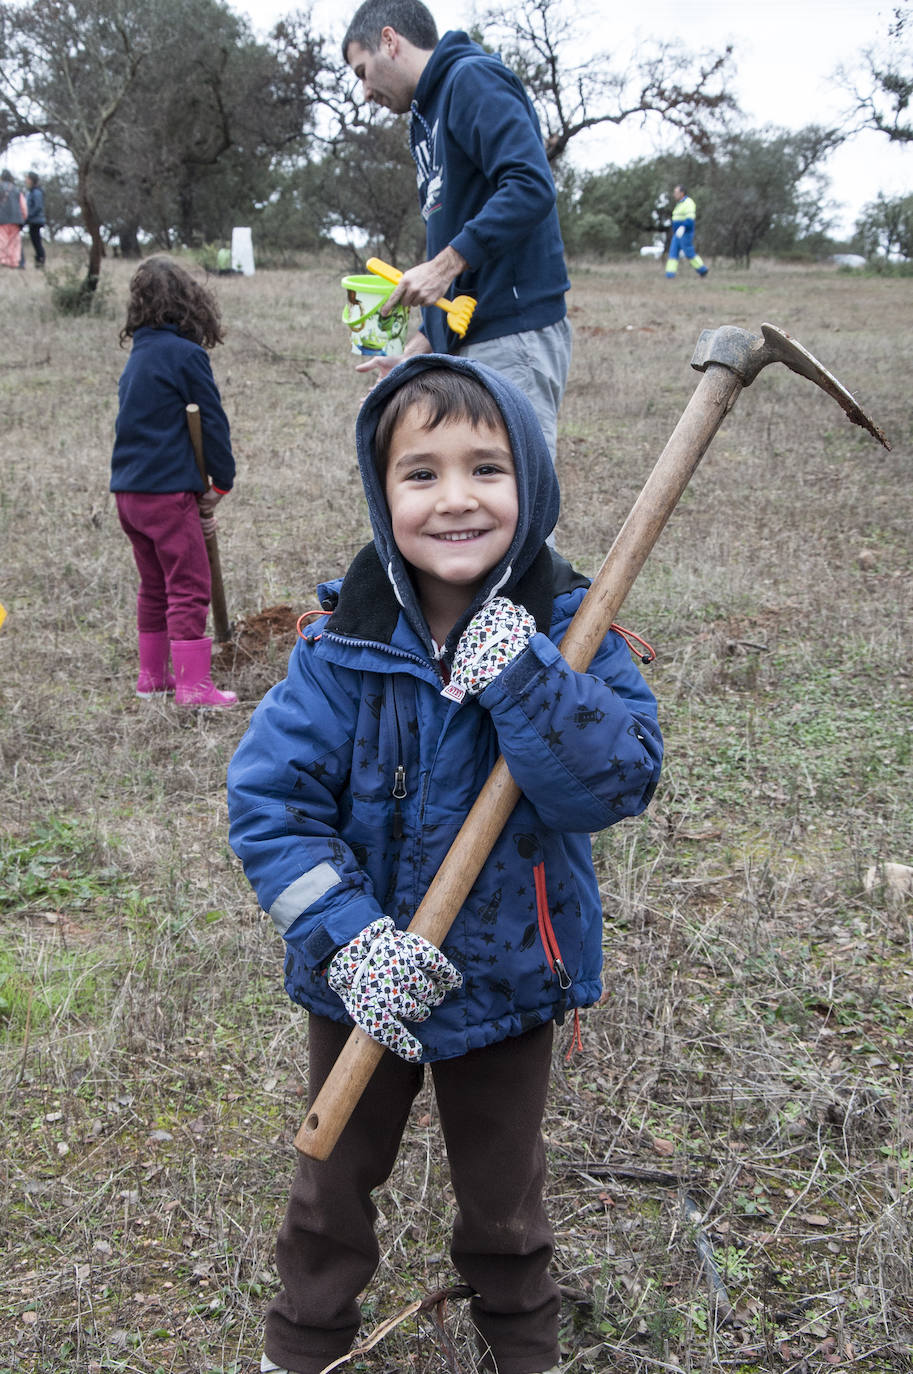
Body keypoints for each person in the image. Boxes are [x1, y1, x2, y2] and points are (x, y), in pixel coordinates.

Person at [227, 355, 663, 1374]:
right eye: (420, 473)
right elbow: (269, 805)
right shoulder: (345, 645)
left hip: (509, 977)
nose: (456, 498)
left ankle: (522, 1348)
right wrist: (349, 941)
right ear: (382, 499)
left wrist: (528, 680)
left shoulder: (571, 629)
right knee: (330, 1187)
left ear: (535, 486)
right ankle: (303, 1348)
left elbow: (614, 785)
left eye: (487, 468)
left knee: (504, 1203)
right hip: (364, 981)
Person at [342, 0, 572, 469]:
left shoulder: (472, 79)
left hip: (513, 329)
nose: (364, 91)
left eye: (363, 72)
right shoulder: (425, 116)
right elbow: (458, 218)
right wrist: (421, 347)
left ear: (390, 40)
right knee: (475, 493)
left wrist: (444, 266)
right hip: (471, 334)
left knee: (515, 497)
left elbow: (530, 185)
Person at [110, 257, 237, 708]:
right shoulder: (187, 355)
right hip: (167, 496)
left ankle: (152, 678)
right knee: (188, 584)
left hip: (128, 494)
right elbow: (214, 424)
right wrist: (221, 482)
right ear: (190, 305)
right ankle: (192, 686)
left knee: (154, 584)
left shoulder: (138, 356)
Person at [665, 184, 709, 279]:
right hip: (677, 233)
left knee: (689, 253)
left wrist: (683, 227)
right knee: (673, 252)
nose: (674, 194)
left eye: (676, 192)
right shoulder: (679, 204)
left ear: (682, 193)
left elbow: (690, 218)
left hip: (685, 233)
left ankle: (702, 269)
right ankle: (670, 274)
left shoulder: (689, 203)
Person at [0, 169, 27, 270]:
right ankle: (14, 263)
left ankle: (3, 262)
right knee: (14, 243)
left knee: (2, 241)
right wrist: (23, 218)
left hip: (2, 220)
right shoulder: (16, 189)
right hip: (16, 220)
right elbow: (23, 206)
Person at [24, 172, 46, 268]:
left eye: (27, 178)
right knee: (35, 241)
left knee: (36, 242)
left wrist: (28, 216)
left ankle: (40, 261)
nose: (26, 180)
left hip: (36, 221)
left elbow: (38, 207)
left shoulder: (36, 192)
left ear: (32, 180)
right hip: (33, 220)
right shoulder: (31, 191)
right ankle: (39, 261)